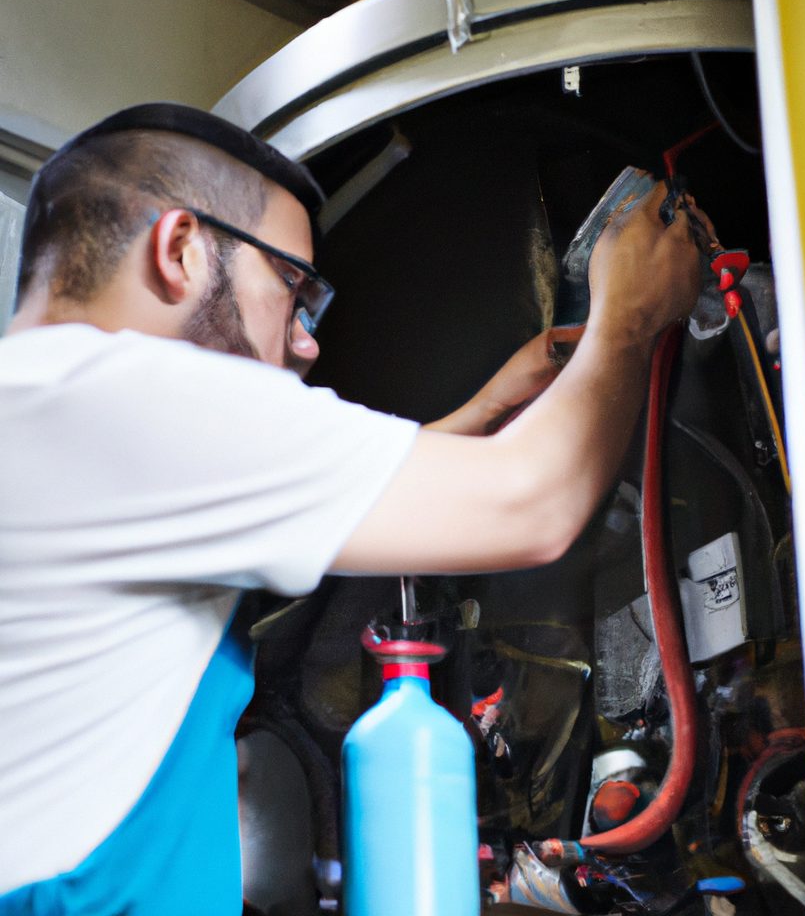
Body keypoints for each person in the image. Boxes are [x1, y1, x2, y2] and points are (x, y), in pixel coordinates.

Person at [0, 103, 702, 915]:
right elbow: (535, 505)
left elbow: (296, 511)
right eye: (291, 287)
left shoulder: (49, 409)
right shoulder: (133, 398)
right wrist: (632, 315)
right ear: (180, 250)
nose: (307, 342)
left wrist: (473, 418)